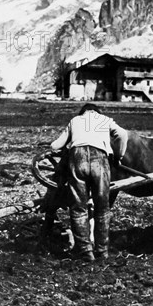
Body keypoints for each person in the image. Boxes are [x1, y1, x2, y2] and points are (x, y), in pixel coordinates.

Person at [50, 103, 128, 262]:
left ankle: (85, 252)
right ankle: (102, 252)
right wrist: (118, 155)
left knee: (78, 207)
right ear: (96, 112)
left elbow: (54, 146)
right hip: (100, 159)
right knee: (102, 208)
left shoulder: (75, 120)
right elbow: (122, 134)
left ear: (83, 112)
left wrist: (65, 148)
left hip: (77, 158)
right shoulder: (104, 120)